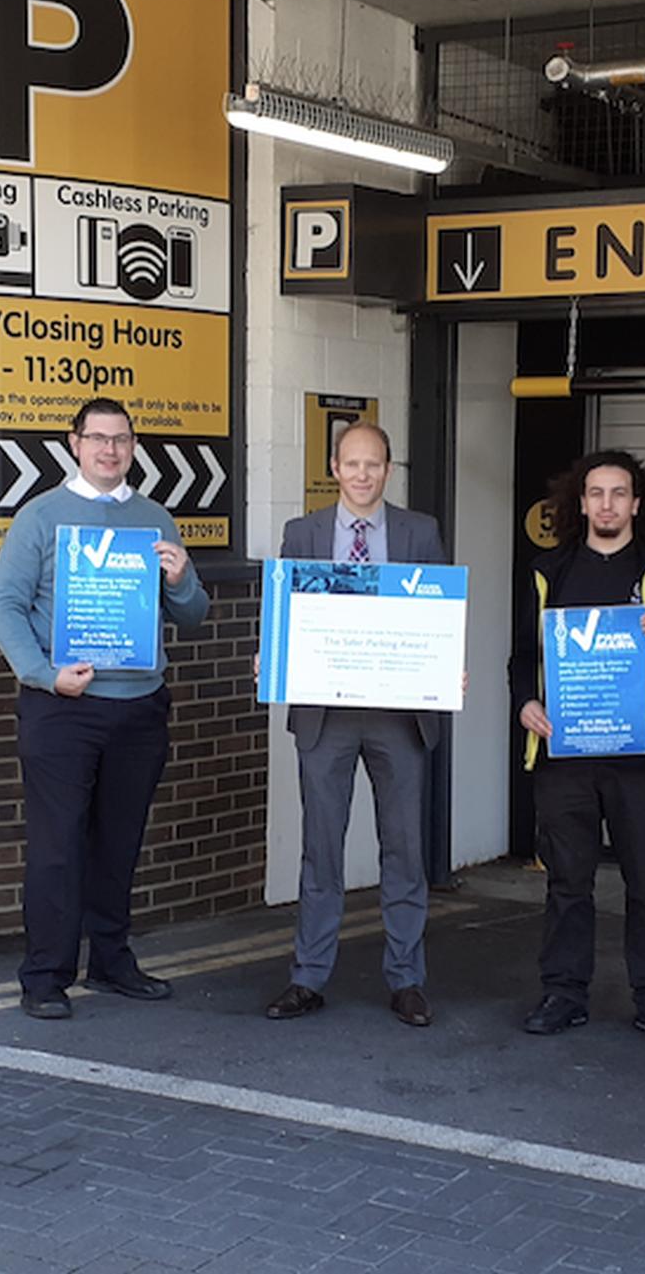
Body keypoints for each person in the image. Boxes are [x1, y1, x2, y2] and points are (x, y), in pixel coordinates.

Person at [0, 397, 209, 1020]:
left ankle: (111, 962)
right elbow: (4, 606)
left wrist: (182, 578)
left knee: (119, 844)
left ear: (133, 447)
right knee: (57, 847)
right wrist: (43, 673)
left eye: (121, 440)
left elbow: (192, 615)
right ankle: (45, 976)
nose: (110, 450)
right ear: (75, 443)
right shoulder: (40, 517)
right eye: (98, 438)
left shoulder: (155, 519)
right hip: (62, 708)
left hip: (138, 708)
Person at [508, 450, 645, 1047]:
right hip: (565, 754)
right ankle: (563, 994)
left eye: (618, 494)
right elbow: (523, 656)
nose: (606, 504)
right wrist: (525, 703)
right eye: (596, 493)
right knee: (567, 883)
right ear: (580, 503)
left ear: (638, 503)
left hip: (641, 760)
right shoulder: (550, 571)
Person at [264, 421, 449, 1030]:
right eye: (352, 464)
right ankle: (308, 978)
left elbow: (439, 617)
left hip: (399, 714)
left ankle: (409, 979)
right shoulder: (303, 533)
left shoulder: (420, 532)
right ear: (335, 469)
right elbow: (288, 615)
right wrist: (274, 657)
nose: (363, 475)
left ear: (387, 471)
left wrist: (446, 669)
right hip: (327, 715)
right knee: (322, 852)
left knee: (404, 850)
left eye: (374, 465)